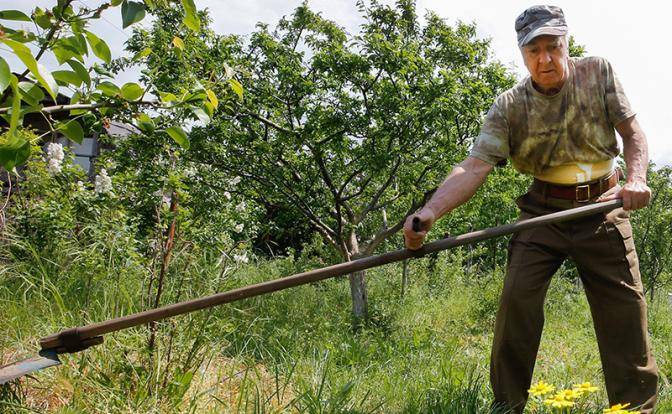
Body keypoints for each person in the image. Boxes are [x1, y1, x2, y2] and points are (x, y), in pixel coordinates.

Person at [403, 5, 658, 413]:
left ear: (566, 43)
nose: (545, 59)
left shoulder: (598, 72)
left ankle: (634, 410)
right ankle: (507, 406)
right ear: (522, 54)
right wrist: (430, 213)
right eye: (534, 50)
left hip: (604, 206)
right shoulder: (510, 105)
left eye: (553, 47)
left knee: (625, 312)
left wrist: (637, 179)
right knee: (516, 304)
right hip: (543, 211)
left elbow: (632, 131)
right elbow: (474, 166)